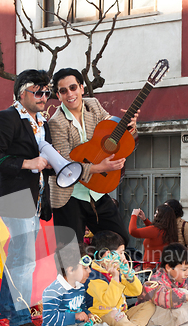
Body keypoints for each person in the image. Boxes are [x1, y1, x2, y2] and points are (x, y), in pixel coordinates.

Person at [0, 69, 52, 326]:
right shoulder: (7, 117)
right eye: (38, 91)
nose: (44, 96)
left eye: (46, 92)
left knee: (23, 260)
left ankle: (11, 316)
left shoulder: (42, 123)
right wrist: (27, 163)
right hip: (13, 198)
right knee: (23, 260)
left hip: (33, 200)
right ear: (22, 92)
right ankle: (18, 317)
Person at [48, 67, 135, 246]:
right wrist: (100, 168)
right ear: (58, 95)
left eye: (73, 88)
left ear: (81, 88)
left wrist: (129, 126)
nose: (69, 94)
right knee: (70, 253)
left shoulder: (93, 105)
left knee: (119, 241)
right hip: (69, 196)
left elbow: (111, 128)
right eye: (63, 91)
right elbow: (65, 164)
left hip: (96, 191)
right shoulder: (56, 122)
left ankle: (103, 271)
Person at [42, 241, 162, 326]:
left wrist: (87, 314)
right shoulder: (52, 291)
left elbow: (81, 307)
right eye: (85, 268)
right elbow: (49, 319)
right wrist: (75, 316)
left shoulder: (79, 287)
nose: (89, 271)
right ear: (70, 270)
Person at [84, 230, 162, 326]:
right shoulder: (93, 276)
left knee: (149, 305)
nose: (123, 257)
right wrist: (115, 277)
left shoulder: (116, 270)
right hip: (104, 318)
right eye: (121, 253)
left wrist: (129, 276)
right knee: (115, 315)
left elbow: (137, 292)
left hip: (122, 315)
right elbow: (110, 303)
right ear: (107, 255)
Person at [128, 204, 178, 269]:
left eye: (156, 213)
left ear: (161, 216)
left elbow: (133, 231)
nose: (154, 215)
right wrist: (145, 220)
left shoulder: (156, 230)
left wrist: (134, 215)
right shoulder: (169, 230)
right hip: (161, 268)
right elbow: (153, 231)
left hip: (150, 268)